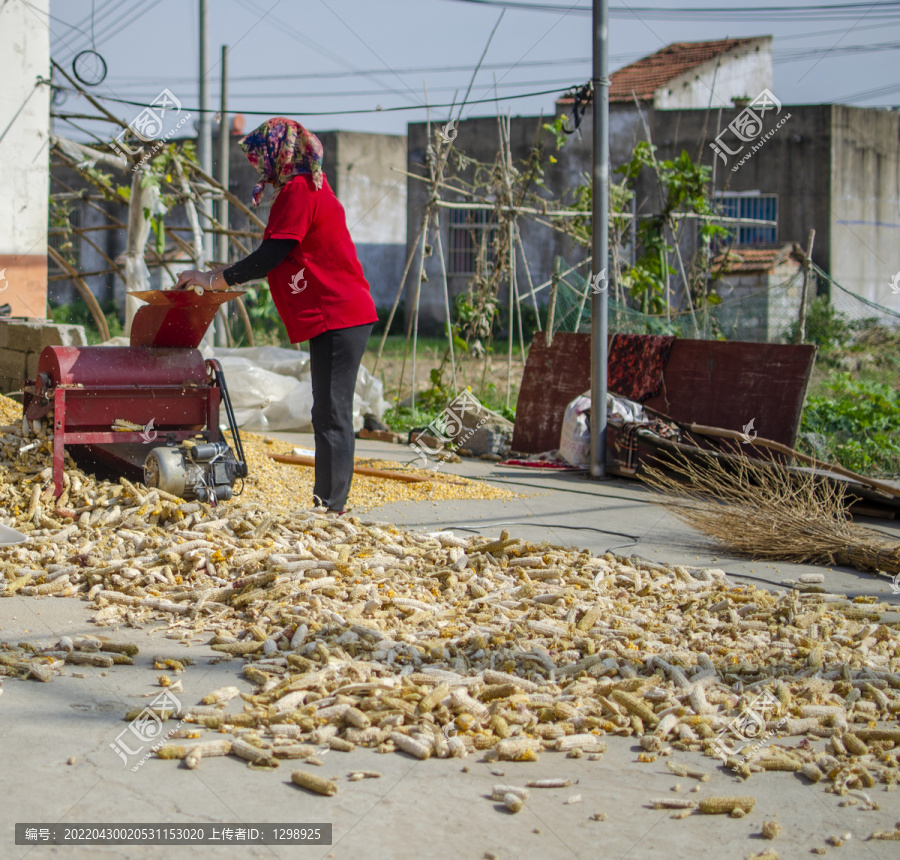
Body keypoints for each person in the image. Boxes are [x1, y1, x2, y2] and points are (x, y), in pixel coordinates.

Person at [175, 117, 378, 515]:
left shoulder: (299, 191)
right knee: (327, 411)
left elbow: (272, 256)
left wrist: (211, 278)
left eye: (260, 156)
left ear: (278, 154)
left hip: (339, 314)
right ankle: (328, 504)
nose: (257, 165)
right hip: (340, 314)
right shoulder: (310, 185)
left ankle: (330, 509)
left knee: (332, 412)